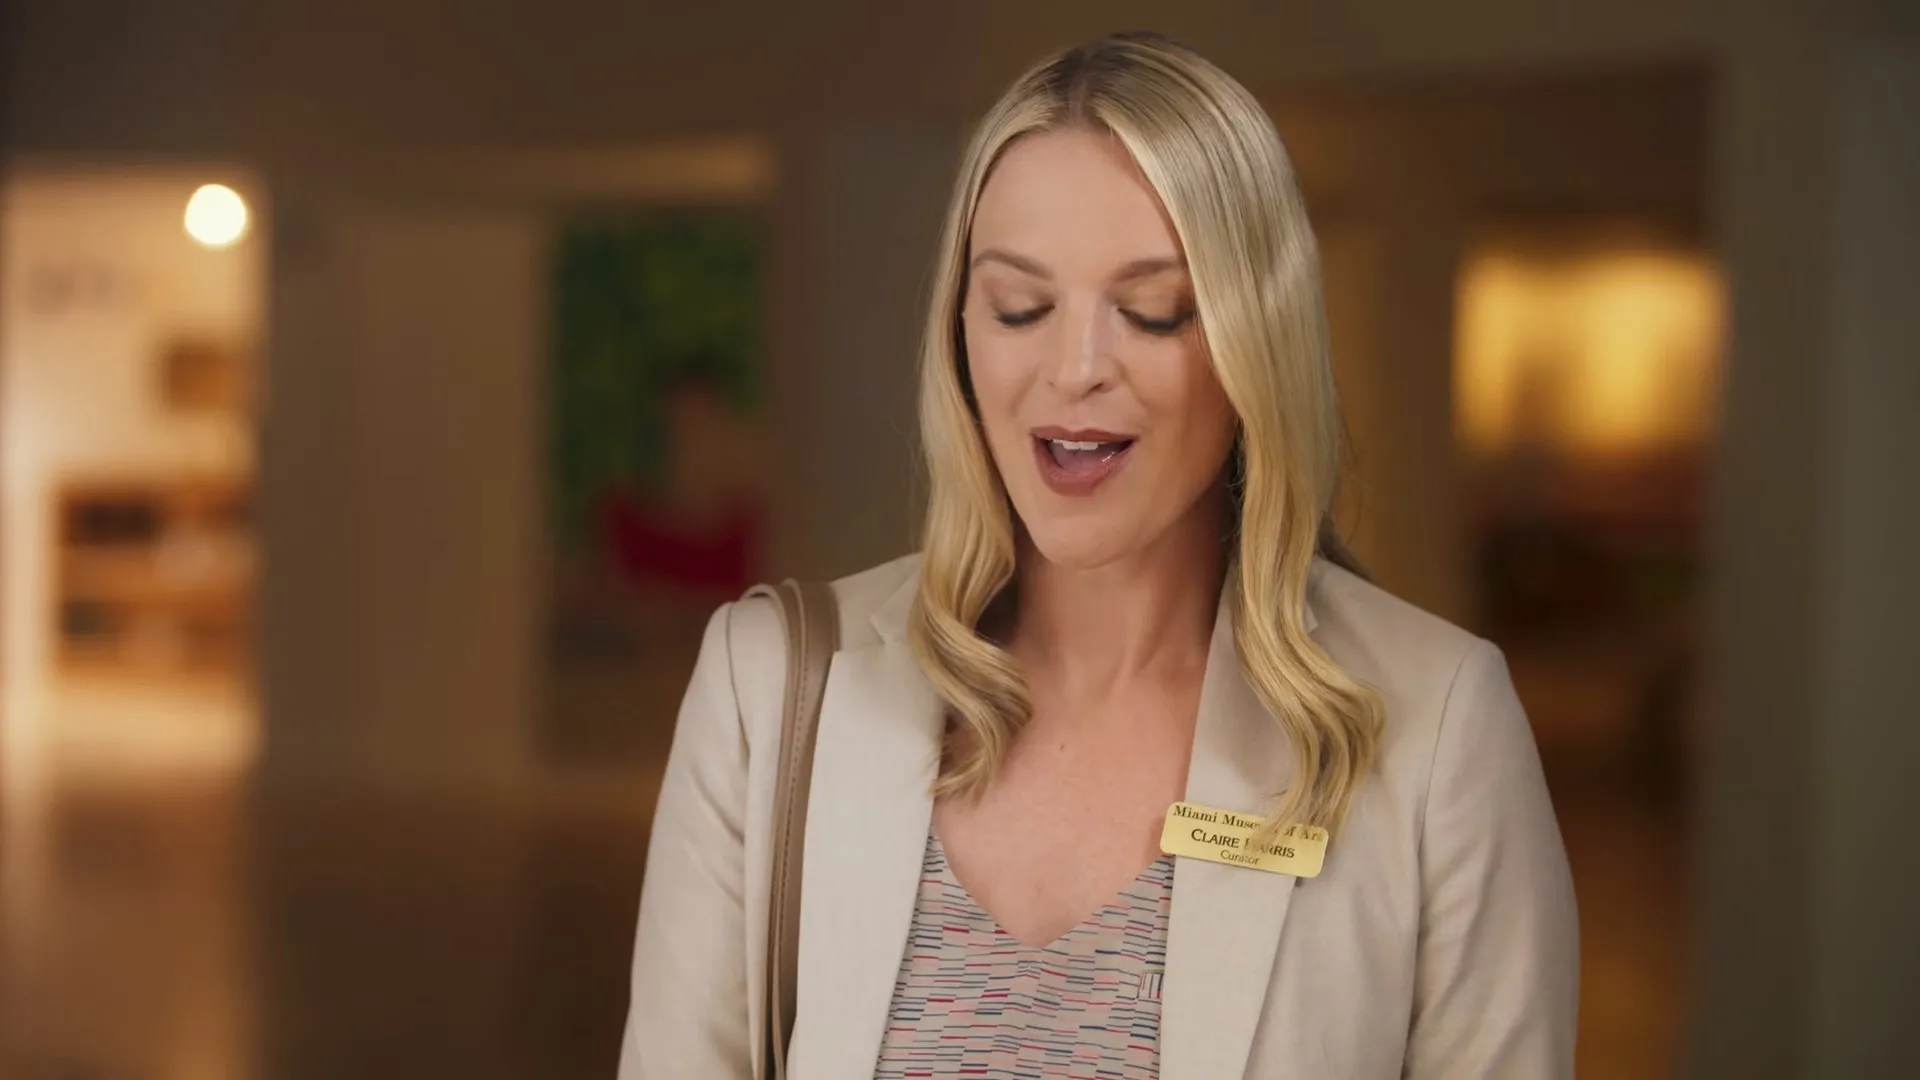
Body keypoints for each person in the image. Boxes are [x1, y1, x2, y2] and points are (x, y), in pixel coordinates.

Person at [620, 31, 1577, 1080]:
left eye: (1152, 313)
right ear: (960, 333)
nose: (1074, 369)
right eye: (1020, 308)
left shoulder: (1440, 728)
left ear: (1257, 345)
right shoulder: (767, 690)